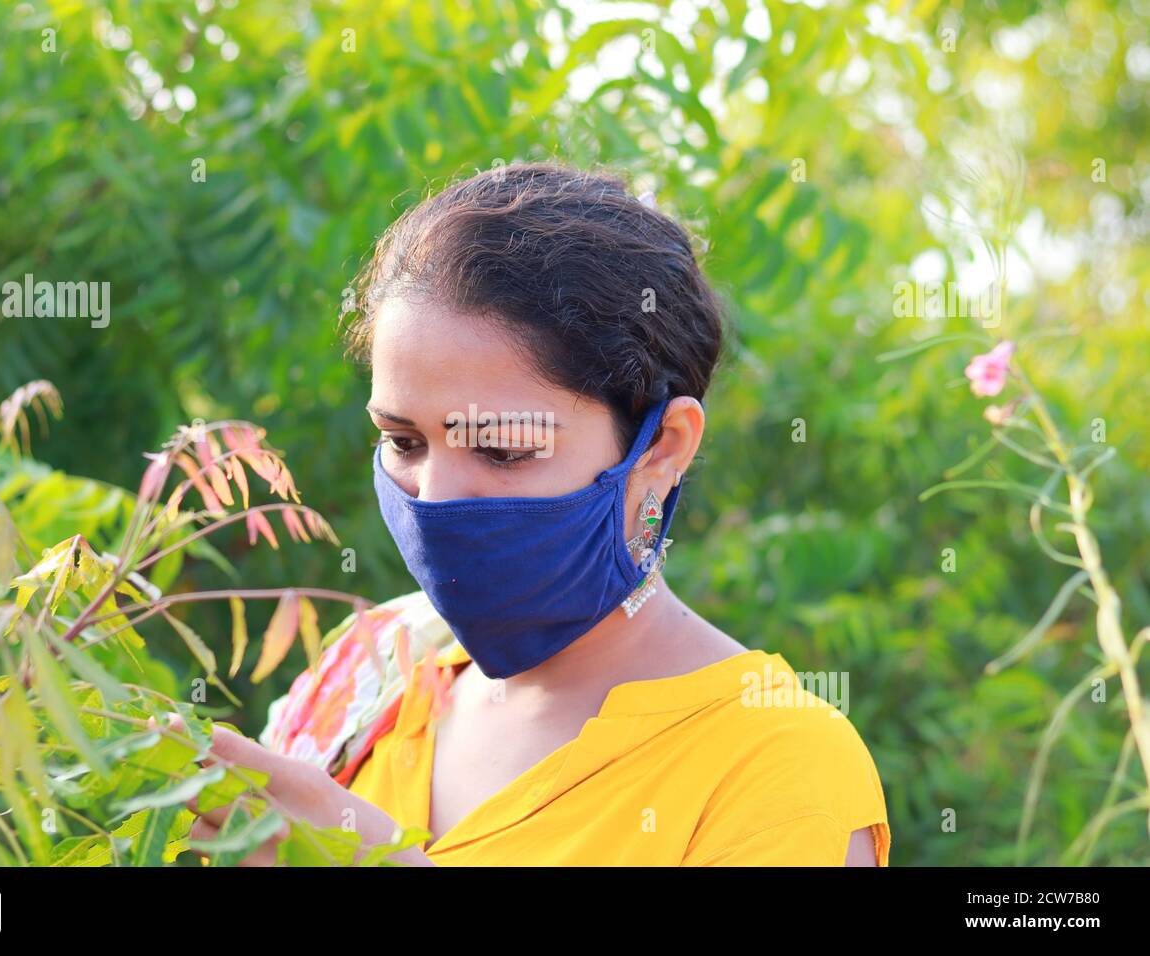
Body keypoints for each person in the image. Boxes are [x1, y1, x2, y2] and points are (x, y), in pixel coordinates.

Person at [188, 162, 891, 866]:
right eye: (403, 442)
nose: (434, 499)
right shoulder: (372, 669)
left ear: (663, 449)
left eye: (500, 449)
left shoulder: (773, 770)